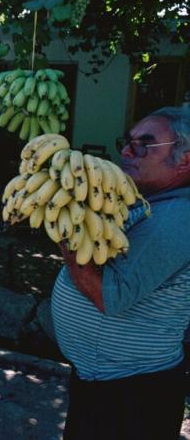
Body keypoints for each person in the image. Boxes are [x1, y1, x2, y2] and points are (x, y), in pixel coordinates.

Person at [51, 106, 190, 440]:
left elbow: (107, 293)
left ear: (185, 159)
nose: (127, 151)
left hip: (131, 396)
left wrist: (63, 228)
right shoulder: (147, 202)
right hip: (105, 382)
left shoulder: (177, 217)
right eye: (127, 142)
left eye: (145, 144)